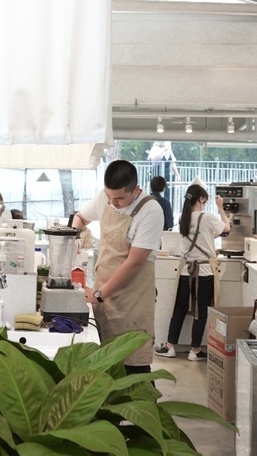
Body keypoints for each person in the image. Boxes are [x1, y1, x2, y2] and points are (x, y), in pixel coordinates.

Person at [71, 160, 164, 374]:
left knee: (132, 364)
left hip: (132, 300)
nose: (113, 203)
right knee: (105, 364)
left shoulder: (150, 210)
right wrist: (73, 240)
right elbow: (80, 217)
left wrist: (99, 294)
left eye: (120, 198)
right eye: (109, 196)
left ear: (136, 190)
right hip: (103, 294)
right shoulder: (106, 198)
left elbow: (134, 262)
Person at [155, 183, 230, 361]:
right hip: (204, 272)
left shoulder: (183, 218)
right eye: (205, 200)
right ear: (202, 198)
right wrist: (221, 208)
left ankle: (170, 346)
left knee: (179, 309)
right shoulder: (209, 216)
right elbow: (226, 228)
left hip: (186, 272)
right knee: (201, 311)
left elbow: (201, 236)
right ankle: (194, 351)